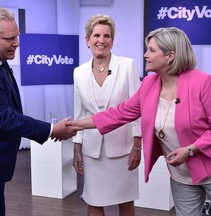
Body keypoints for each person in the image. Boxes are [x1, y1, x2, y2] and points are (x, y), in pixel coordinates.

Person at [71, 27, 211, 216]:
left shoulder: (202, 82)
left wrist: (191, 150)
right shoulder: (149, 84)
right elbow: (118, 114)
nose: (145, 55)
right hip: (181, 175)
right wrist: (75, 125)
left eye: (151, 50)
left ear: (170, 56)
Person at [0, 6, 82, 216]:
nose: (17, 43)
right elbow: (4, 117)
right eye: (10, 38)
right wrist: (51, 130)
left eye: (16, 37)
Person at [72, 14, 142, 216]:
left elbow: (137, 109)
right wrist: (77, 147)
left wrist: (137, 145)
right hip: (92, 150)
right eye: (96, 35)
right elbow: (80, 112)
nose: (101, 40)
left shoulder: (127, 65)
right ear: (87, 40)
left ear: (112, 40)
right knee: (94, 200)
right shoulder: (79, 72)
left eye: (107, 36)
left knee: (125, 201)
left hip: (123, 148)